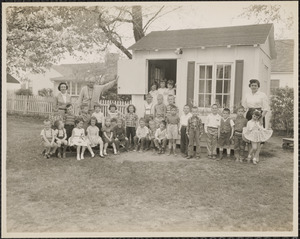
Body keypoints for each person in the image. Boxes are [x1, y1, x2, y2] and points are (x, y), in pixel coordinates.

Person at [242, 79, 270, 160]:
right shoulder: (247, 94)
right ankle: (249, 155)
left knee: (258, 135)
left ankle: (256, 156)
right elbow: (244, 106)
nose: (254, 87)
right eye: (252, 85)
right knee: (250, 134)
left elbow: (266, 108)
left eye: (255, 85)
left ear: (258, 86)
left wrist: (261, 118)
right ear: (250, 86)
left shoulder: (262, 95)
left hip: (259, 115)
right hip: (249, 115)